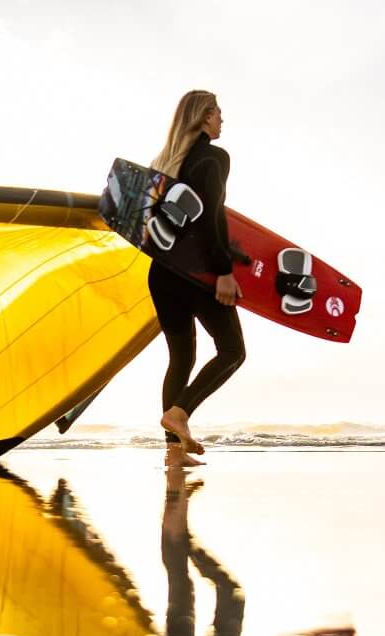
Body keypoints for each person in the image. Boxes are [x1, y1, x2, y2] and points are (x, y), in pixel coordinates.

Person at [150, 91, 246, 466]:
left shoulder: (165, 162)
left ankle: (174, 452)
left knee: (181, 360)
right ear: (205, 117)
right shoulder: (215, 157)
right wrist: (224, 271)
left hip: (162, 275)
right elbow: (211, 217)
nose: (223, 121)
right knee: (232, 351)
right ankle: (180, 414)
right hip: (197, 274)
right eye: (219, 113)